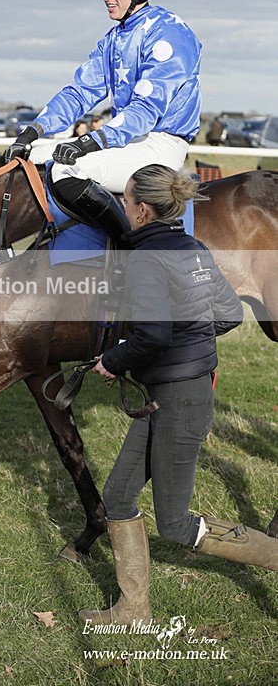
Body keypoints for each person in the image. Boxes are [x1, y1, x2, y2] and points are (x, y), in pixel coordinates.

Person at [78, 164, 277, 628]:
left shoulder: (145, 258)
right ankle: (133, 611)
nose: (123, 208)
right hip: (166, 395)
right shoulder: (192, 247)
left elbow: (150, 335)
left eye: (125, 201)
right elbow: (228, 312)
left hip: (180, 400)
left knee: (175, 525)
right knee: (120, 495)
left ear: (142, 209)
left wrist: (112, 361)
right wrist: (188, 337)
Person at [4, 0, 202, 248]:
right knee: (34, 159)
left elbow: (145, 111)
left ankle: (130, 249)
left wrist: (91, 140)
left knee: (67, 169)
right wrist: (33, 131)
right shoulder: (114, 39)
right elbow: (79, 92)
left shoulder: (170, 34)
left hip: (160, 147)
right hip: (128, 143)